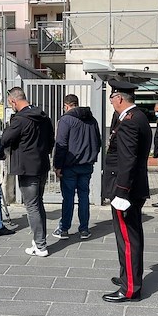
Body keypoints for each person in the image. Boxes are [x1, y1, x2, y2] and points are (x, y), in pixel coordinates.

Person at [102, 79, 152, 303]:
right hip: (131, 187)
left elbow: (128, 159)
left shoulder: (130, 122)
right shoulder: (136, 117)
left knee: (128, 239)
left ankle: (130, 288)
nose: (111, 101)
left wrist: (121, 192)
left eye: (112, 97)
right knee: (130, 236)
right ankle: (127, 277)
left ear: (119, 98)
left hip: (126, 190)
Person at [2, 87, 55, 257]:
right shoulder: (43, 117)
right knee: (38, 204)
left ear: (13, 101)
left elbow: (5, 139)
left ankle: (40, 246)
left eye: (10, 103)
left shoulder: (20, 120)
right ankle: (37, 241)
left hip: (27, 168)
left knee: (32, 206)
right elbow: (51, 141)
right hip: (42, 166)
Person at [52, 94, 101, 240]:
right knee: (84, 197)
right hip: (86, 165)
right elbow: (98, 141)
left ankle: (64, 228)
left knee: (68, 198)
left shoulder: (66, 120)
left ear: (66, 105)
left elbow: (61, 145)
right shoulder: (92, 120)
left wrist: (57, 166)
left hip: (69, 166)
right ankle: (84, 229)